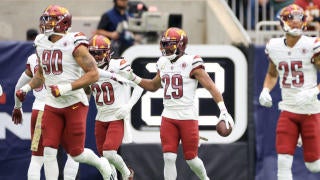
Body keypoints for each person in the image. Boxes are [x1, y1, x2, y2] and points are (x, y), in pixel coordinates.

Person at [117, 27, 234, 180]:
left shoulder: (192, 62)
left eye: (170, 44)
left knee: (191, 159)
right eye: (164, 44)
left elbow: (211, 86)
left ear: (181, 45)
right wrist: (133, 78)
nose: (166, 48)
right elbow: (153, 86)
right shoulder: (163, 62)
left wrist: (223, 110)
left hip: (187, 117)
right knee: (169, 158)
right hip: (168, 117)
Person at [15, 5, 112, 180]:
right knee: (49, 151)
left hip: (74, 103)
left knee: (76, 153)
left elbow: (93, 74)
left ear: (63, 23)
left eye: (50, 20)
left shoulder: (74, 42)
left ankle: (101, 164)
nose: (45, 24)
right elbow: (40, 75)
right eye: (44, 19)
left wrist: (65, 88)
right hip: (52, 103)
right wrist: (27, 88)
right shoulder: (41, 42)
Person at [259, 4, 320, 180]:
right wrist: (265, 89)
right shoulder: (274, 46)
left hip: (310, 111)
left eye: (299, 19)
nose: (295, 23)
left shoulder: (312, 45)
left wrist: (314, 91)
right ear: (282, 22)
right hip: (288, 110)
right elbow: (272, 73)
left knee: (314, 166)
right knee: (283, 161)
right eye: (291, 19)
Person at [12, 53, 80, 180]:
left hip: (40, 110)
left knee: (38, 159)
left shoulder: (33, 59)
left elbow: (18, 87)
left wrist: (17, 106)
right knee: (74, 154)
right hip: (61, 109)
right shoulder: (63, 55)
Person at [88, 34, 143, 180]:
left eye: (99, 53)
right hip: (100, 117)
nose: (95, 57)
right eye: (92, 53)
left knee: (109, 153)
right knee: (105, 160)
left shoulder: (117, 65)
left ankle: (126, 173)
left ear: (107, 53)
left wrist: (128, 106)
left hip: (116, 115)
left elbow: (139, 86)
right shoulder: (87, 69)